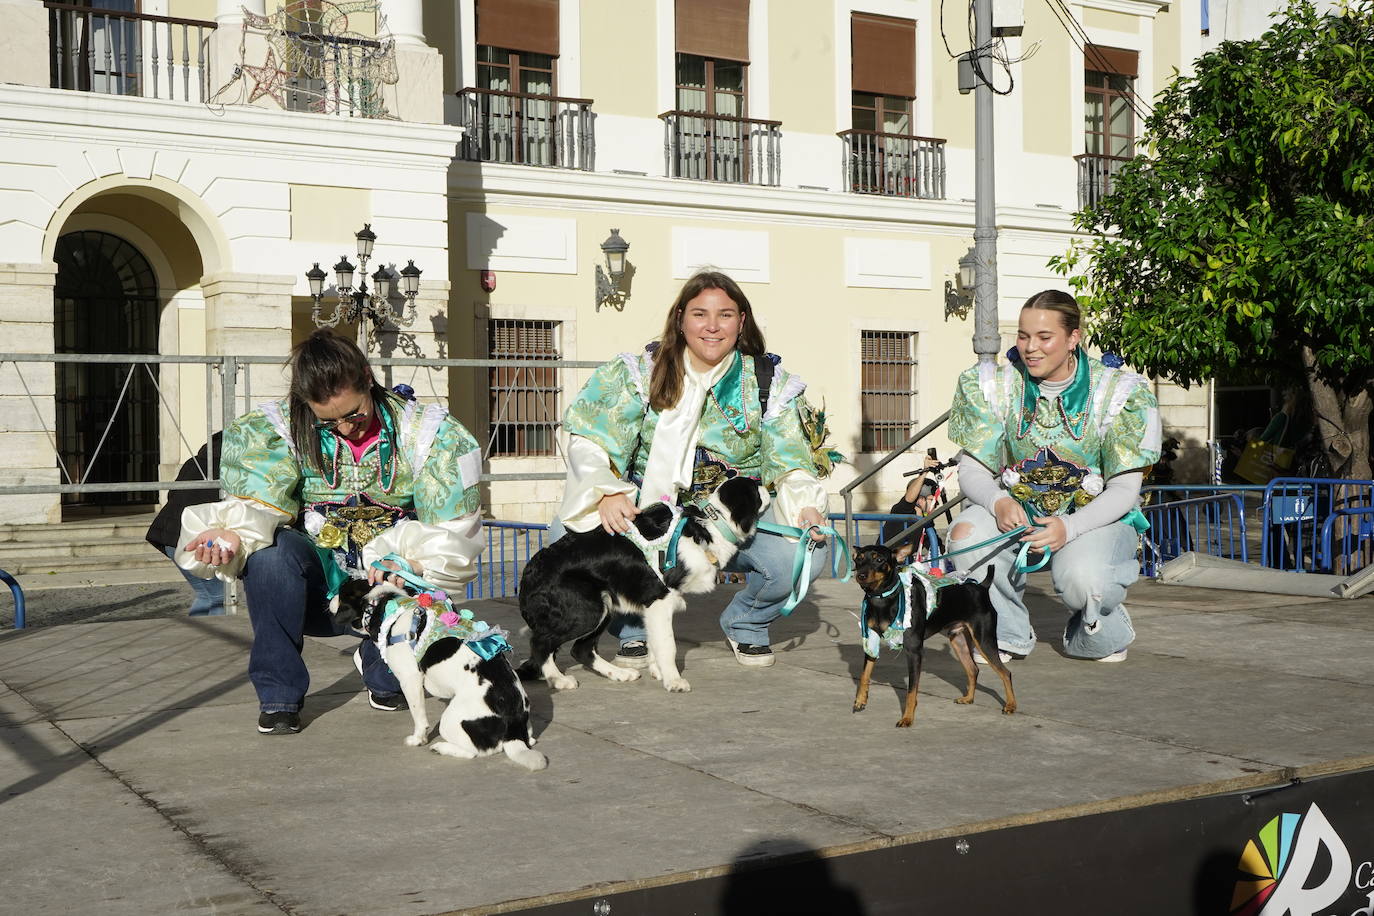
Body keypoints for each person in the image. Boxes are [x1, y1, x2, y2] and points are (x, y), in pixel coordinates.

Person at [178, 331, 485, 735]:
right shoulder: (275, 429)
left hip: (389, 584)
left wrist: (408, 563)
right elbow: (259, 506)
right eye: (328, 421)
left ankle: (377, 661)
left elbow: (448, 530)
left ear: (367, 376)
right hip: (316, 587)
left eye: (354, 414)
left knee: (391, 684)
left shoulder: (430, 435)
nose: (344, 429)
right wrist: (234, 533)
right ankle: (279, 696)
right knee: (270, 556)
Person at [556, 270, 838, 668]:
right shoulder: (637, 374)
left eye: (725, 314)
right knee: (568, 534)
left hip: (729, 526)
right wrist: (607, 490)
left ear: (741, 321)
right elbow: (591, 438)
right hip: (649, 521)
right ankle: (632, 625)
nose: (711, 326)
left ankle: (746, 623)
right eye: (699, 314)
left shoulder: (768, 383)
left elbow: (789, 458)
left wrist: (806, 505)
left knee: (803, 552)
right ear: (680, 319)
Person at [944, 290, 1161, 663]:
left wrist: (1070, 527)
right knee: (965, 536)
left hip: (1093, 517)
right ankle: (1003, 631)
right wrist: (998, 501)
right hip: (1019, 509)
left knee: (1083, 580)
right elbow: (972, 469)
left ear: (1073, 337)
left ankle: (1101, 629)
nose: (1031, 348)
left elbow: (1126, 488)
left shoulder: (1119, 392)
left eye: (1044, 337)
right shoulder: (991, 385)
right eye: (1024, 336)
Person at [146, 432, 227, 616]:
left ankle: (200, 634)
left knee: (205, 594)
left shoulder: (194, 462)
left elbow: (172, 494)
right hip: (192, 540)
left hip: (170, 537)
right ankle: (212, 641)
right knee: (216, 596)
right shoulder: (227, 469)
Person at [879, 451, 949, 563]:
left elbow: (935, 545)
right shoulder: (902, 511)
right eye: (932, 500)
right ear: (921, 499)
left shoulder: (925, 521)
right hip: (884, 564)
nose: (936, 504)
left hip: (904, 566)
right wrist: (924, 472)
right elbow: (909, 498)